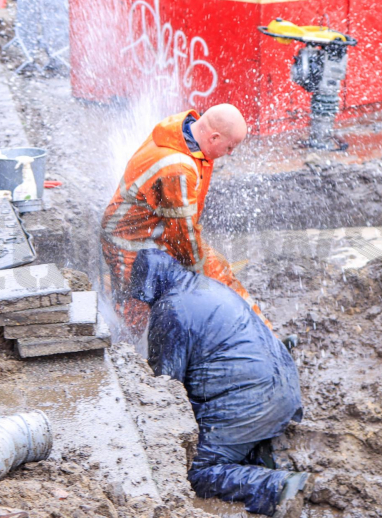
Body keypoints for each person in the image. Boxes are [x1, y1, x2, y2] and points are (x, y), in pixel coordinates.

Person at [129, 249, 314, 518]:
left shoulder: (170, 308)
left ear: (149, 287)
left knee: (195, 470)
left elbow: (166, 391)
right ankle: (256, 450)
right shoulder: (207, 284)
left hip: (252, 402)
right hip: (284, 389)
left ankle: (276, 486)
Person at [100, 104, 271, 339]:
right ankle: (126, 358)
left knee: (217, 272)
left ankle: (267, 337)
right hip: (129, 241)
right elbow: (182, 237)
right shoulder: (178, 167)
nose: (230, 153)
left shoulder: (185, 130)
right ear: (213, 137)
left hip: (154, 231)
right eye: (230, 146)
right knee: (137, 305)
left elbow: (182, 229)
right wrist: (200, 275)